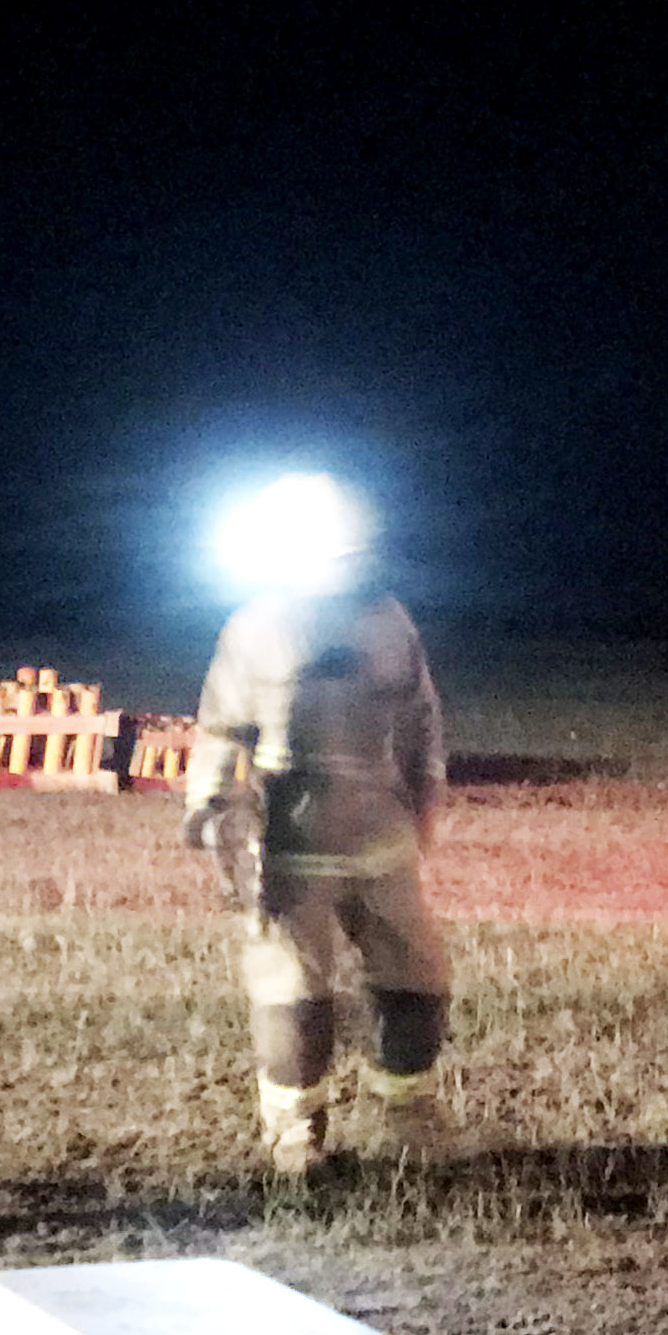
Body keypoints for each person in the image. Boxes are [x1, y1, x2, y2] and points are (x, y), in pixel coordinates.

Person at [180, 473, 453, 1176]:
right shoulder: (258, 628)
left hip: (379, 838)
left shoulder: (389, 623)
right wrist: (213, 810)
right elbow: (221, 725)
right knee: (292, 992)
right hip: (289, 845)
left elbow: (421, 718)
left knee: (416, 978)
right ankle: (294, 1133)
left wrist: (425, 797)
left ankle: (410, 1115)